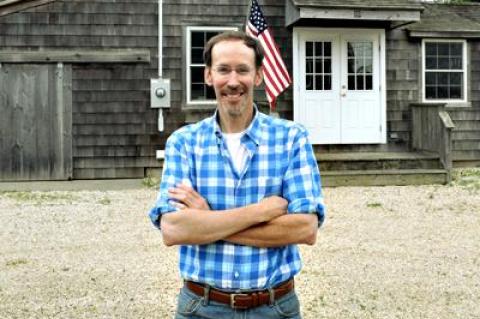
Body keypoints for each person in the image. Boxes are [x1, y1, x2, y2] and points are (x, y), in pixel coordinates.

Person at [149, 31, 325, 319]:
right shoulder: (184, 142)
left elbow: (304, 229)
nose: (233, 81)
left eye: (242, 70)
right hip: (201, 307)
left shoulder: (291, 138)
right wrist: (261, 211)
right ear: (208, 75)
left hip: (275, 308)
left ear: (258, 76)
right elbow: (173, 230)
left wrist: (207, 220)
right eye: (223, 70)